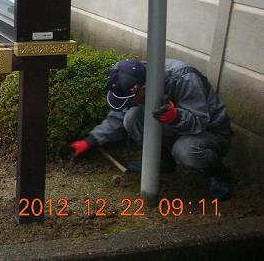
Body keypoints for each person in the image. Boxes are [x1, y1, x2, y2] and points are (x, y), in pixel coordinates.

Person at [69, 59, 233, 200]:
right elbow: (120, 114)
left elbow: (199, 121)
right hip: (176, 126)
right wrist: (90, 140)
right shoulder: (136, 77)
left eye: (130, 99)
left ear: (144, 89)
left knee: (184, 150)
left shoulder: (183, 78)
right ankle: (163, 162)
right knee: (132, 118)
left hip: (211, 131)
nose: (128, 102)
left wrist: (175, 116)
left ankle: (219, 174)